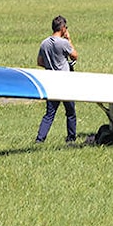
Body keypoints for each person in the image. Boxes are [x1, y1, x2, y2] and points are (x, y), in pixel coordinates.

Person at [36, 15, 78, 143]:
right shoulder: (63, 43)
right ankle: (71, 139)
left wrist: (50, 66)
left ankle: (40, 139)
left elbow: (39, 62)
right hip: (64, 82)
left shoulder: (44, 43)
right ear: (63, 28)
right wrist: (69, 39)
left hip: (51, 82)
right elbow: (75, 56)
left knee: (49, 114)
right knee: (70, 112)